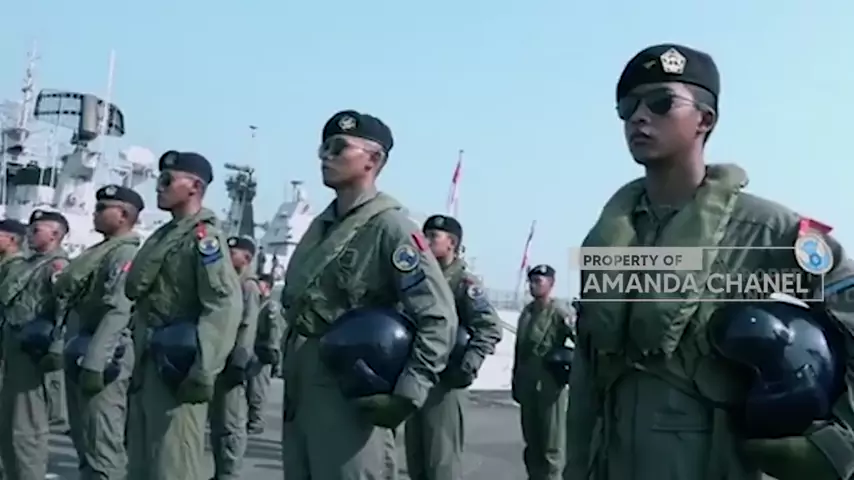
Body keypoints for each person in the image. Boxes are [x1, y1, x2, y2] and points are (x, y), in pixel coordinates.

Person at [566, 43, 854, 480]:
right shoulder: (611, 237)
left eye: (661, 103)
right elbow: (589, 374)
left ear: (705, 119)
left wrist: (839, 443)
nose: (639, 117)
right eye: (628, 107)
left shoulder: (762, 230)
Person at [280, 109, 458, 479]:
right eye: (324, 148)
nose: (326, 156)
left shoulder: (391, 229)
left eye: (339, 147)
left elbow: (438, 316)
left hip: (352, 394)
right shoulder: (321, 228)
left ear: (373, 160)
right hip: (302, 388)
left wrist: (407, 393)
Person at [125, 151, 243, 480]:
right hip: (149, 362)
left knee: (173, 463)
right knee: (141, 465)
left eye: (167, 180)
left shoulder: (204, 239)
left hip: (179, 367)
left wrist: (203, 371)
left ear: (194, 187)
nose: (158, 187)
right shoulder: (164, 236)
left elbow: (223, 303)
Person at [54, 185, 143, 479]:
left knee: (102, 441)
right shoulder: (99, 251)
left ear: (123, 215)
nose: (95, 213)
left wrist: (96, 363)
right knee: (83, 439)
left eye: (103, 208)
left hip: (105, 353)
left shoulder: (125, 254)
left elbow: (118, 309)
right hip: (82, 346)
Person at [405, 214, 503, 480]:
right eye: (424, 235)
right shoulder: (419, 278)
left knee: (442, 462)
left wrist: (469, 362)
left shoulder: (463, 283)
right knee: (416, 461)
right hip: (417, 375)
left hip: (446, 382)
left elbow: (490, 327)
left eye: (433, 236)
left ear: (452, 243)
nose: (426, 241)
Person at [0, 209, 69, 480]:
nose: (30, 233)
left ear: (55, 234)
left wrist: (54, 351)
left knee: (26, 430)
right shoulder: (27, 265)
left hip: (34, 354)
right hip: (13, 350)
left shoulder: (57, 267)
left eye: (37, 229)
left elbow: (64, 311)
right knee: (7, 427)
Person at [512, 264, 573, 480]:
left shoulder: (559, 312)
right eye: (531, 281)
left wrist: (566, 361)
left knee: (551, 447)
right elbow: (519, 351)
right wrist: (515, 382)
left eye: (539, 281)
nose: (533, 285)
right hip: (528, 386)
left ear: (551, 284)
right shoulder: (527, 313)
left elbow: (581, 341)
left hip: (550, 388)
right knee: (532, 446)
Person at [209, 235, 260, 479]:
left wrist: (239, 361)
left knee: (231, 422)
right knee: (217, 421)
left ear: (246, 258)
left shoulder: (248, 286)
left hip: (234, 360)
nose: (228, 257)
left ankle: (229, 472)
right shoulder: (230, 282)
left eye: (233, 253)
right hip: (220, 357)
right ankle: (220, 470)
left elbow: (248, 325)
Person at [246, 272, 285, 434]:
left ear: (267, 286)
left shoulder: (270, 306)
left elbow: (274, 331)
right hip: (253, 349)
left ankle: (257, 421)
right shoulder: (257, 303)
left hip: (263, 351)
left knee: (258, 389)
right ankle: (251, 419)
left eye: (260, 283)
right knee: (250, 387)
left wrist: (274, 352)